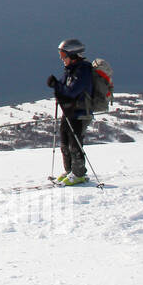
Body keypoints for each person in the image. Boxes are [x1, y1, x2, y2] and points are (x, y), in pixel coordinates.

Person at [47, 38, 93, 185]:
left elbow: (73, 91)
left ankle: (79, 174)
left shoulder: (83, 70)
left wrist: (58, 88)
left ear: (73, 55)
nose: (62, 59)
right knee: (65, 142)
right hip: (69, 111)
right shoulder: (70, 70)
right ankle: (69, 171)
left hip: (80, 112)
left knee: (75, 143)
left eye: (63, 56)